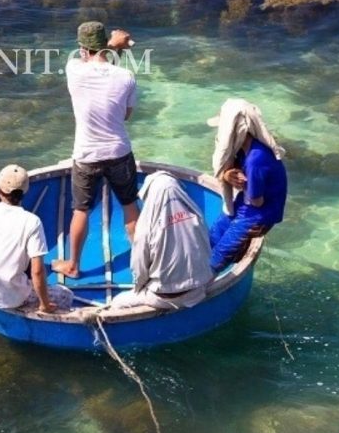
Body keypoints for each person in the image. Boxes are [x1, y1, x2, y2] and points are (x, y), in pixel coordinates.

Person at [52, 21, 141, 279]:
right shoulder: (126, 77)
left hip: (86, 155)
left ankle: (73, 265)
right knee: (129, 206)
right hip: (119, 151)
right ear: (104, 45)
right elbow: (125, 115)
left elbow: (97, 60)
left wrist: (114, 44)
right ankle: (143, 264)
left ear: (82, 49)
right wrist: (116, 44)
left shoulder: (74, 70)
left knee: (81, 211)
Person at [0, 165, 73, 313]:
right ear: (25, 192)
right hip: (11, 299)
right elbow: (37, 271)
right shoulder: (32, 222)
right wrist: (45, 305)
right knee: (65, 295)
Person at [109, 171, 212, 310]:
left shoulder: (146, 227)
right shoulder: (196, 215)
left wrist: (139, 287)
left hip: (164, 296)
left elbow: (139, 265)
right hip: (197, 290)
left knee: (117, 302)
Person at [207, 98, 288, 271]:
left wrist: (243, 184)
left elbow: (257, 201)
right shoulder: (245, 150)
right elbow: (232, 170)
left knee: (217, 258)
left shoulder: (255, 160)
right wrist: (228, 175)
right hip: (246, 202)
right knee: (211, 238)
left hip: (259, 212)